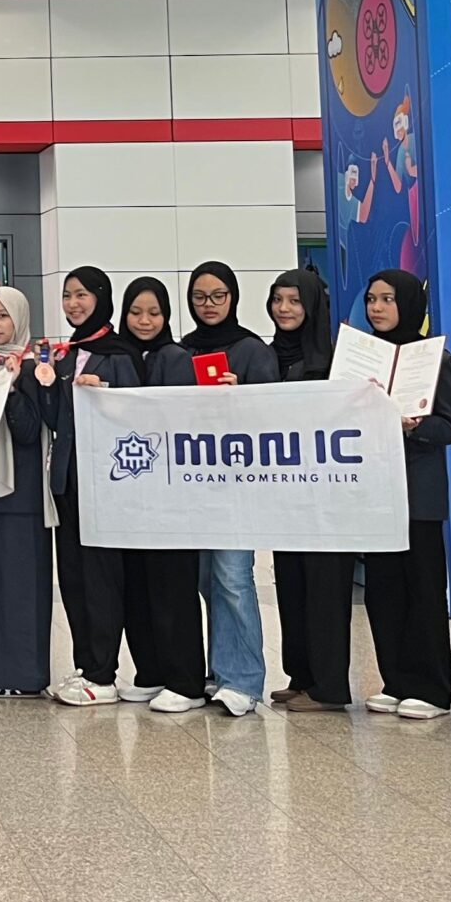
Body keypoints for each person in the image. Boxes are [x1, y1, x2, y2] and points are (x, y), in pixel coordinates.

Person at [147, 262, 276, 717]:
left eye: (218, 295)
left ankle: (243, 680)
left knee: (234, 579)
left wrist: (240, 396)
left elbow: (273, 418)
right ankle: (220, 672)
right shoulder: (181, 351)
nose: (209, 304)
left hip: (237, 488)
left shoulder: (253, 351)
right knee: (204, 580)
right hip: (193, 489)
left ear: (233, 297)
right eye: (200, 297)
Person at [353, 270, 451, 721]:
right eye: (371, 299)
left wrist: (412, 427)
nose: (377, 308)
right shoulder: (361, 361)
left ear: (409, 304)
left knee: (423, 590)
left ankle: (431, 689)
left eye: (387, 299)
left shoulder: (436, 360)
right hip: (375, 493)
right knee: (383, 591)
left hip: (418, 495)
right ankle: (395, 681)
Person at [43, 267, 148, 705]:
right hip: (67, 478)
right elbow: (55, 420)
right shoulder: (66, 354)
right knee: (73, 578)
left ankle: (104, 673)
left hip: (104, 481)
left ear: (101, 297)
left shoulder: (120, 354)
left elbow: (136, 416)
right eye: (67, 295)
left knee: (102, 578)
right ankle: (85, 665)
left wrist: (104, 390)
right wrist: (46, 385)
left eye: (82, 295)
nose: (73, 303)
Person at [265, 269, 352, 716]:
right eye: (278, 299)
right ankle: (300, 677)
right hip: (284, 493)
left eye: (295, 301)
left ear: (314, 306)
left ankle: (329, 686)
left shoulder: (337, 360)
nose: (285, 309)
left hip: (327, 494)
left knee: (325, 588)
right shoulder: (266, 356)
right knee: (292, 584)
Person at [0, 285, 52, 699]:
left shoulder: (35, 367)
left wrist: (12, 388)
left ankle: (25, 675)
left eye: (2, 316)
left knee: (24, 589)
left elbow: (28, 431)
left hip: (23, 495)